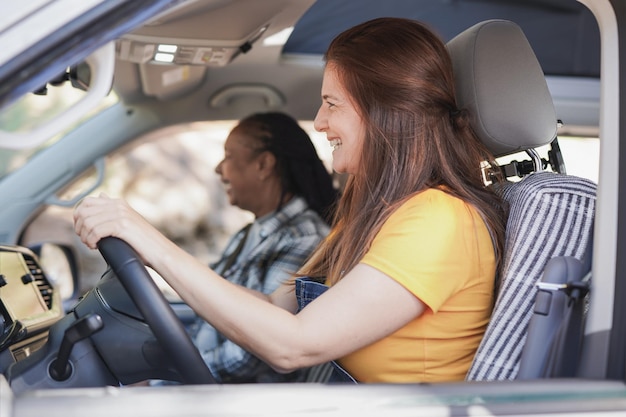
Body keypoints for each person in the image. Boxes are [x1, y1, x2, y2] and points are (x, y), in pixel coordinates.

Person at [74, 17, 507, 383]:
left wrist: (145, 238)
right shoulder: (378, 214)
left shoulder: (439, 220)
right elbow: (272, 307)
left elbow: (292, 345)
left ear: (385, 112)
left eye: (331, 104)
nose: (319, 122)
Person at [189, 111, 336, 383]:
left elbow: (252, 353)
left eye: (229, 156)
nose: (219, 168)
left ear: (264, 164)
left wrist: (166, 378)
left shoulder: (304, 239)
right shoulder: (250, 233)